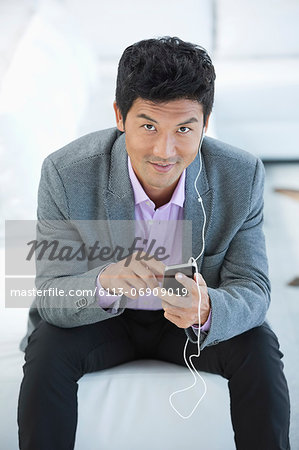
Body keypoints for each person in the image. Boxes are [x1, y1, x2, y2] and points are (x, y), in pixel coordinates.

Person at [17, 36, 290, 450]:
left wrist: (208, 307)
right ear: (119, 117)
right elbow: (50, 292)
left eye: (184, 129)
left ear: (205, 123)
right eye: (148, 126)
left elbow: (253, 288)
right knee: (48, 347)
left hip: (188, 327)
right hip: (103, 322)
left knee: (259, 343)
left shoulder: (242, 175)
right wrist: (105, 280)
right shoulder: (65, 172)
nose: (166, 151)